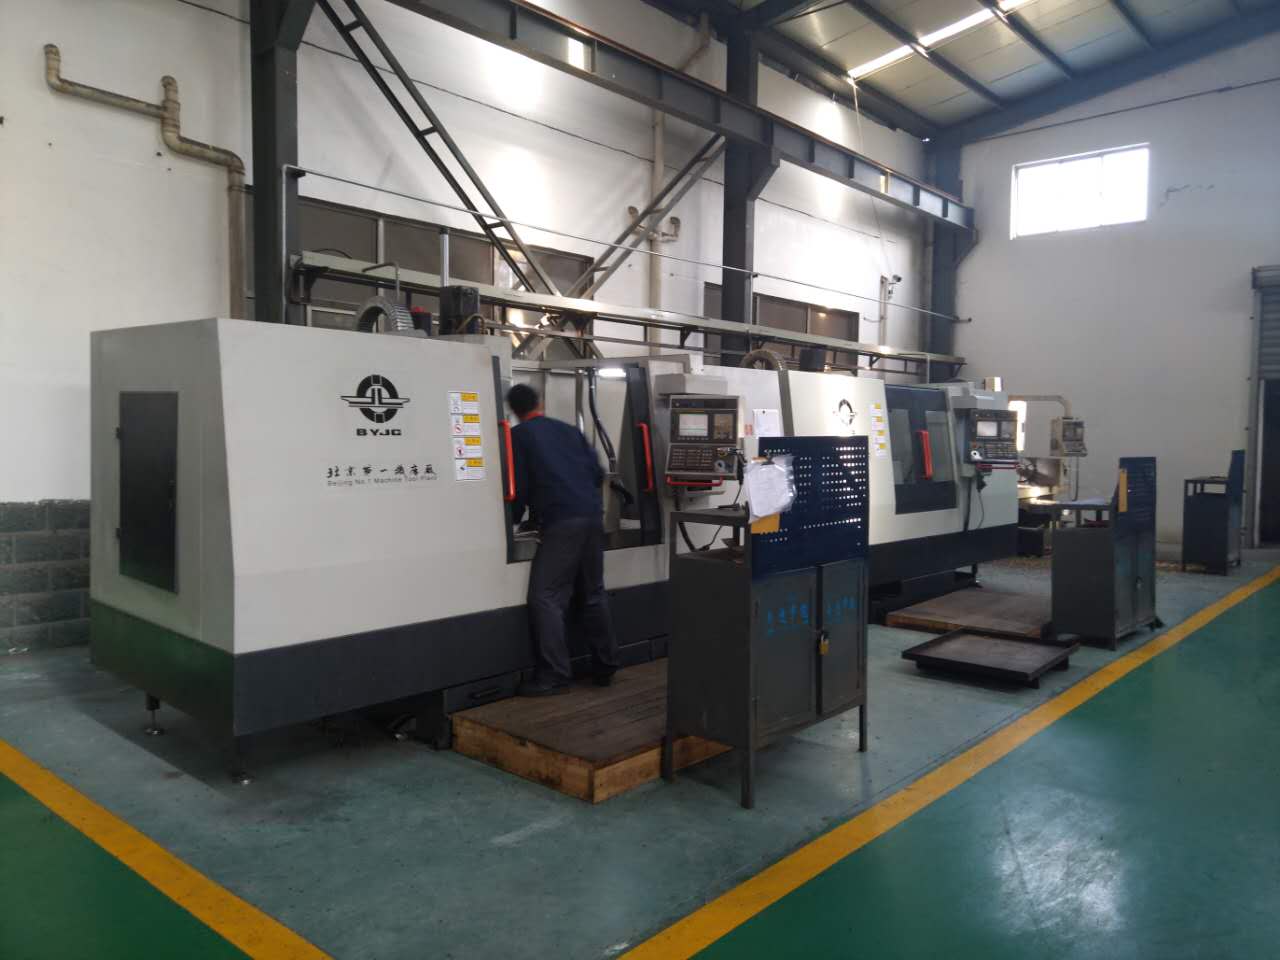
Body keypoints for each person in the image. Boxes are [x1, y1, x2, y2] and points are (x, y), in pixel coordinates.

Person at [506, 383, 619, 696]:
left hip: (562, 522)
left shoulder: (518, 436)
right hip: (592, 517)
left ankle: (554, 676)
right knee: (593, 592)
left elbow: (519, 486)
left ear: (513, 410)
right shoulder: (569, 430)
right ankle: (606, 666)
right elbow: (597, 474)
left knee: (545, 596)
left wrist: (511, 521)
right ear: (539, 403)